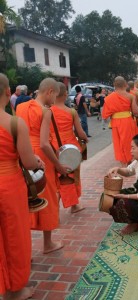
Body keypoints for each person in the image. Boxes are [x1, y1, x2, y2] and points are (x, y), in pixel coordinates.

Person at [0, 74, 45, 299]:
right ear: (9, 92)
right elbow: (28, 162)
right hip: (9, 185)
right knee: (14, 236)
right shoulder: (14, 123)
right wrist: (38, 161)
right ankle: (14, 290)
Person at [16, 78, 68, 254]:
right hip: (41, 158)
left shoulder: (20, 107)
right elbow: (45, 144)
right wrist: (59, 166)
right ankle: (47, 244)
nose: (56, 100)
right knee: (48, 199)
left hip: (24, 156)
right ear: (50, 91)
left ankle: (27, 251)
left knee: (27, 200)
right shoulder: (45, 112)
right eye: (56, 96)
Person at [49, 83, 88, 212]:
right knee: (69, 177)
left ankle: (59, 206)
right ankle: (73, 205)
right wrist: (85, 139)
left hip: (53, 147)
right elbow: (80, 132)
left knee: (58, 177)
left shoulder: (47, 111)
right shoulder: (71, 112)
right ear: (66, 95)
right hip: (70, 148)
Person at [102, 76, 138, 166]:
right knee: (128, 141)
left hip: (115, 122)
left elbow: (105, 115)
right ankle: (129, 160)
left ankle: (123, 162)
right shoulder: (130, 96)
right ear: (125, 84)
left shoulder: (109, 98)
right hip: (127, 121)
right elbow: (135, 112)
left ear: (114, 85)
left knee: (118, 143)